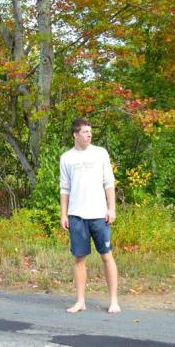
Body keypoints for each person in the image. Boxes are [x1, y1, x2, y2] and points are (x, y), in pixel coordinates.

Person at [60, 117, 120, 313]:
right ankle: (80, 302)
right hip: (77, 215)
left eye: (90, 132)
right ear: (75, 135)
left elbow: (109, 182)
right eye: (85, 132)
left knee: (106, 256)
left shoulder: (100, 153)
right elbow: (64, 188)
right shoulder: (66, 158)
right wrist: (64, 214)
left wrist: (111, 209)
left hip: (99, 215)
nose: (89, 135)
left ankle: (113, 301)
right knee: (79, 258)